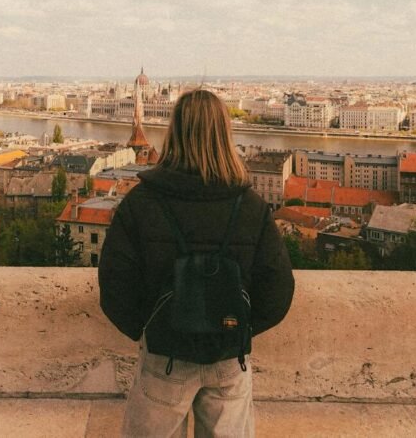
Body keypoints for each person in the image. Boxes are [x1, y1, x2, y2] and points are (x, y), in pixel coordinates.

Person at [99, 89, 295, 437]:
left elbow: (115, 285)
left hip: (165, 354)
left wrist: (149, 330)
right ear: (225, 135)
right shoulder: (249, 205)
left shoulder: (141, 202)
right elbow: (277, 290)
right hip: (227, 356)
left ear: (174, 133)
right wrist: (238, 329)